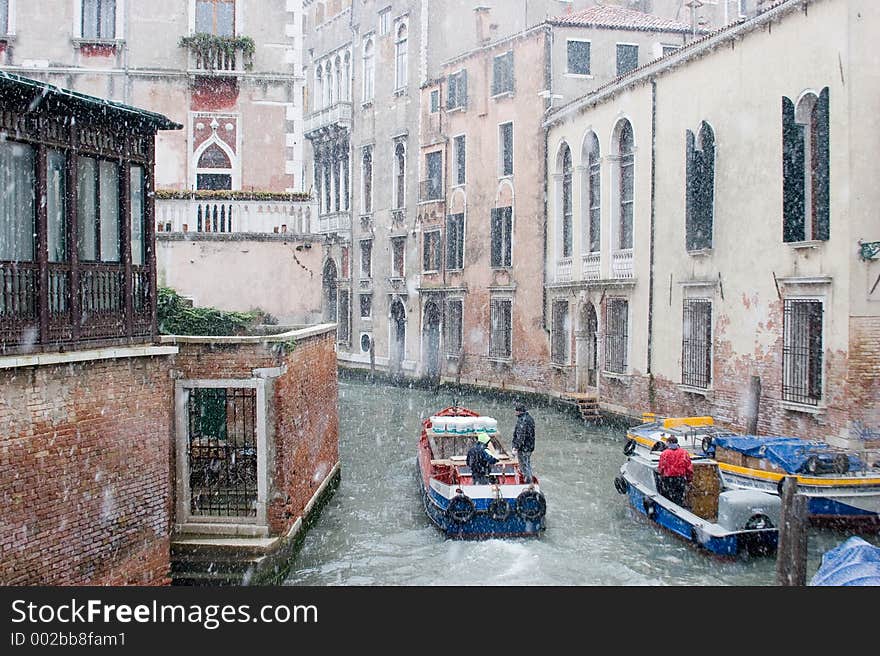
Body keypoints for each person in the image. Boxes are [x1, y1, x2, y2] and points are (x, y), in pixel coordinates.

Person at [657, 435, 693, 506]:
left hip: (668, 479)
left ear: (668, 443)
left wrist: (660, 476)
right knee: (679, 497)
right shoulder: (684, 453)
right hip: (680, 479)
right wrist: (689, 479)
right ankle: (678, 508)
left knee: (669, 498)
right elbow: (689, 468)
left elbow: (661, 467)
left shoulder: (664, 453)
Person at [512, 402, 536, 484]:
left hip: (524, 447)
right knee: (527, 464)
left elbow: (520, 436)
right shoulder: (530, 418)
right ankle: (529, 480)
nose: (515, 412)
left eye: (516, 410)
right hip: (529, 446)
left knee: (524, 465)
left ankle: (528, 482)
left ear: (519, 411)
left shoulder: (522, 420)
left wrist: (516, 447)